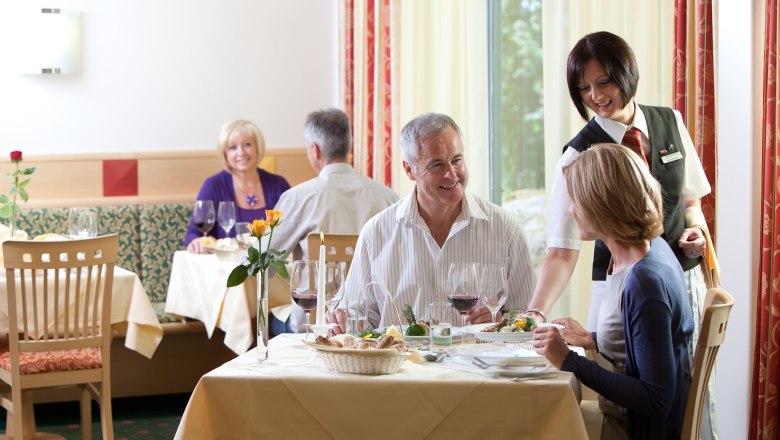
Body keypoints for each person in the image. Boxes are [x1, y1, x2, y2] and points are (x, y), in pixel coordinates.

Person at [524, 31, 717, 438]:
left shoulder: (669, 122)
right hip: (626, 286)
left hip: (665, 282)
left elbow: (690, 203)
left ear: (625, 74)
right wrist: (537, 315)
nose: (595, 95)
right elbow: (561, 252)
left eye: (604, 82)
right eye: (584, 88)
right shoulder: (578, 155)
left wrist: (697, 228)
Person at [533, 143, 694, 439]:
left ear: (602, 203)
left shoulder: (645, 282)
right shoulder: (646, 251)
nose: (570, 210)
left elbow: (655, 400)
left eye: (576, 201)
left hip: (633, 430)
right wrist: (592, 339)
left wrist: (569, 360)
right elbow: (646, 342)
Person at [328, 112, 535, 333]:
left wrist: (502, 319)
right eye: (437, 165)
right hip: (402, 364)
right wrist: (341, 321)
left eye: (457, 160)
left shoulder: (505, 229)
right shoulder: (375, 233)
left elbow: (528, 315)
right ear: (409, 170)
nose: (452, 174)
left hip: (480, 365)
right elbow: (358, 317)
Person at [269, 108, 399, 333]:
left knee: (271, 318)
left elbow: (263, 263)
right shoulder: (387, 196)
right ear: (348, 146)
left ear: (315, 150)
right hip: (373, 324)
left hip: (313, 324)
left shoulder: (298, 198)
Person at [184, 119, 291, 252]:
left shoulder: (278, 185)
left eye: (247, 144)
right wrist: (196, 241)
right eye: (232, 147)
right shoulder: (213, 186)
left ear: (258, 147)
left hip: (272, 269)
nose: (241, 153)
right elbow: (193, 233)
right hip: (225, 269)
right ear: (225, 154)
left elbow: (294, 227)